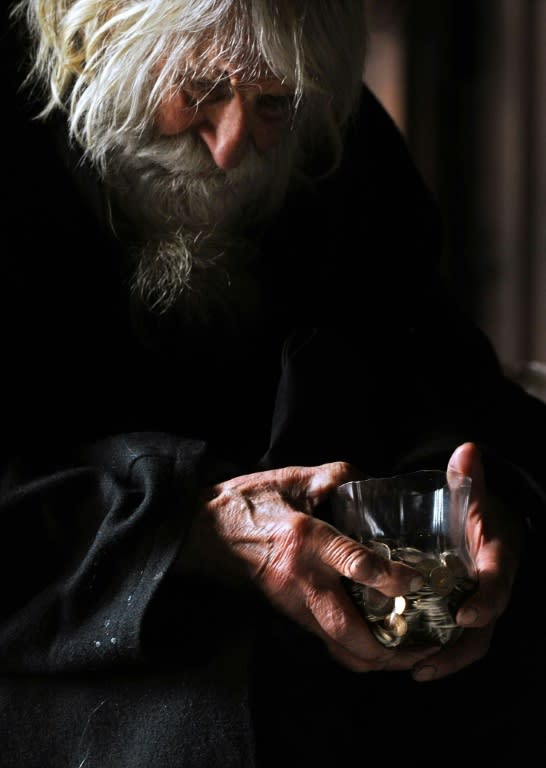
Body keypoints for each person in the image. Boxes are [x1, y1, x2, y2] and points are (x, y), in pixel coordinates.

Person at [0, 1, 544, 766]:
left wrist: (482, 502)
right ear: (96, 35)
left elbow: (438, 376)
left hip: (341, 663)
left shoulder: (331, 137)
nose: (232, 147)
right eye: (199, 91)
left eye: (273, 102)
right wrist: (193, 529)